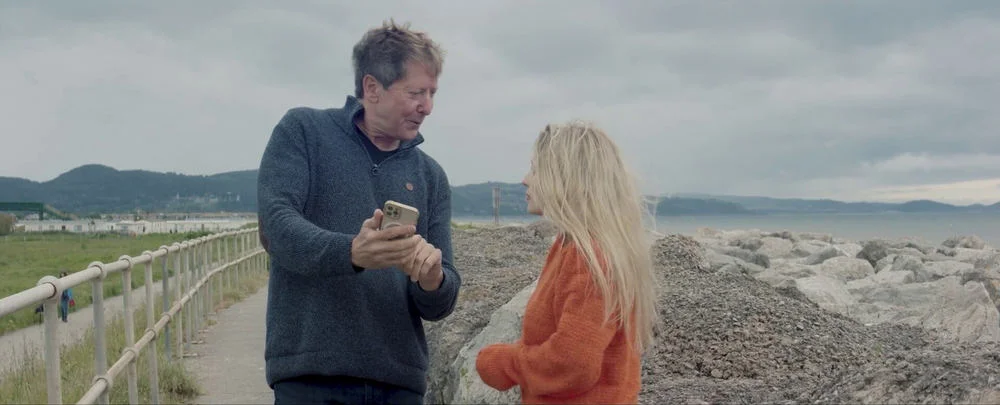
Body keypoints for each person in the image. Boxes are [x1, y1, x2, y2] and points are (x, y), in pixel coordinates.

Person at [257, 19, 461, 404]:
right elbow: (277, 228)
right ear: (372, 88)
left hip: (399, 383)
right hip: (310, 376)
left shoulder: (430, 175)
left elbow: (440, 303)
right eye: (416, 92)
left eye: (432, 93)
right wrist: (352, 252)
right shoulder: (303, 131)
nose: (428, 107)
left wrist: (432, 278)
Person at [475, 121, 658, 403]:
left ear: (565, 177)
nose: (525, 179)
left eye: (536, 169)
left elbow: (573, 363)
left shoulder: (590, 256)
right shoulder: (571, 244)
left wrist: (504, 363)